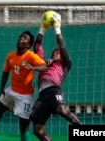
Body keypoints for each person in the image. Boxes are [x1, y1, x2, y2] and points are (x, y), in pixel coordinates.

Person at [0, 30, 48, 141]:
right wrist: (1, 89)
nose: (21, 39)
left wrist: (33, 68)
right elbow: (5, 72)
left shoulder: (31, 56)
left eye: (24, 38)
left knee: (24, 125)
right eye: (20, 37)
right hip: (11, 90)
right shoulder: (11, 56)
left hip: (25, 96)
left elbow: (45, 67)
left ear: (28, 45)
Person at [30, 12, 81, 141]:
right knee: (37, 130)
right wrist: (42, 28)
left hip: (54, 91)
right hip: (42, 96)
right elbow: (36, 48)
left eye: (58, 52)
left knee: (62, 110)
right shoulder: (44, 63)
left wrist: (57, 28)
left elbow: (62, 48)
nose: (56, 52)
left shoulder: (64, 65)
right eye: (54, 52)